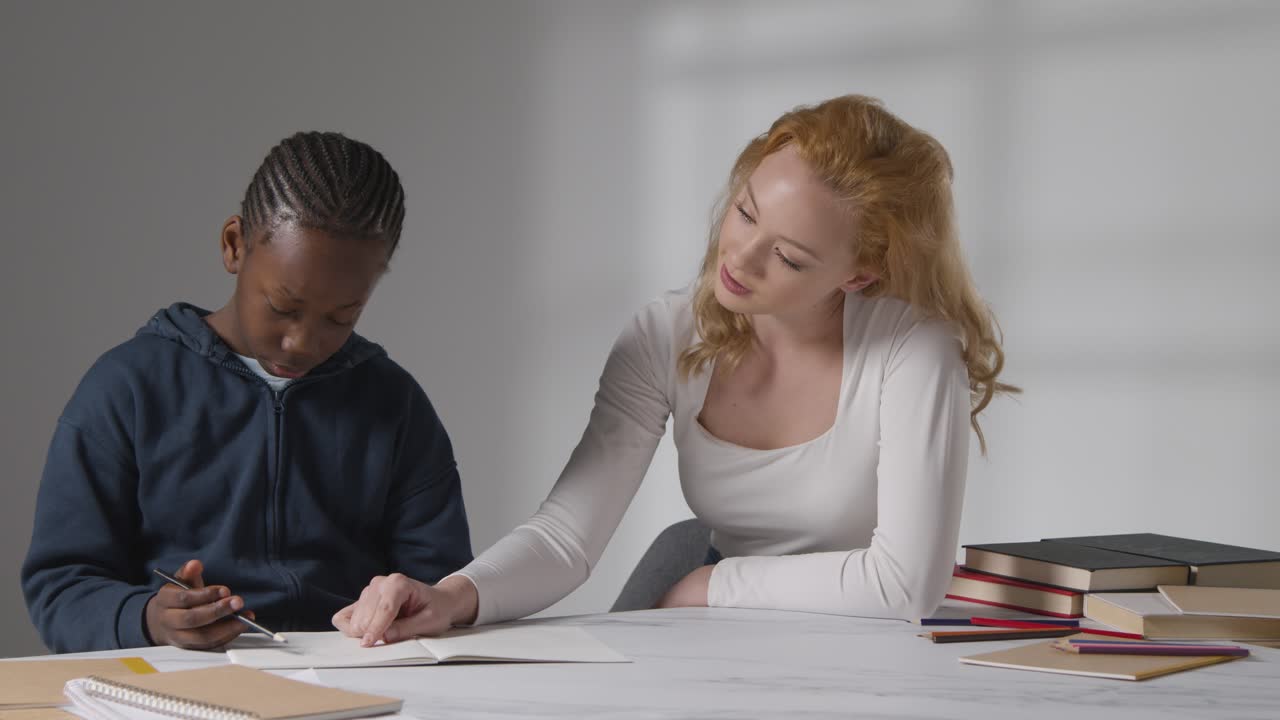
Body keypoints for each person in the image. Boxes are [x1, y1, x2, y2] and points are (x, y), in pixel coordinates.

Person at [334, 95, 1016, 645]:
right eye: (746, 213)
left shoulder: (913, 350)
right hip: (718, 628)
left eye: (791, 258)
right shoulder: (666, 334)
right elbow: (568, 536)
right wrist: (451, 597)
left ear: (860, 274)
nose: (740, 260)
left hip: (868, 643)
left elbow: (905, 586)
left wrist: (714, 585)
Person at [22, 132, 473, 653]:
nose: (303, 342)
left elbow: (442, 586)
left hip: (356, 676)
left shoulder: (394, 404)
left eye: (342, 316)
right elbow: (60, 587)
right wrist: (147, 619)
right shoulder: (127, 389)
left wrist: (411, 605)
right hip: (176, 680)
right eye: (283, 307)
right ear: (234, 246)